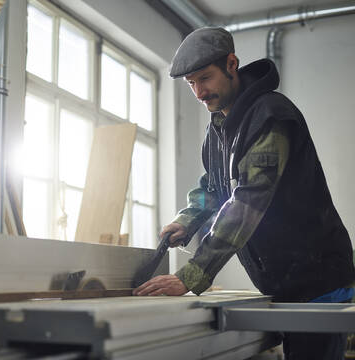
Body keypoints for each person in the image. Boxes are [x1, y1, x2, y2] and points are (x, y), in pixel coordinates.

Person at [132, 27, 355, 359]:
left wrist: (192, 274)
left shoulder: (270, 116)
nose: (198, 92)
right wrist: (187, 220)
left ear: (232, 64)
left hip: (318, 282)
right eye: (191, 83)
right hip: (284, 283)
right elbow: (214, 186)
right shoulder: (219, 128)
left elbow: (248, 200)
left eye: (204, 78)